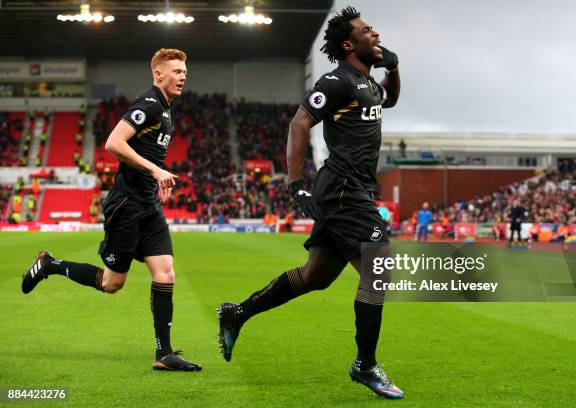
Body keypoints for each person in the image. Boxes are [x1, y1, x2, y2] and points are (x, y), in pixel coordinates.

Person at [217, 6, 403, 399]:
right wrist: (296, 183)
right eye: (368, 31)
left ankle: (238, 312)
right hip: (343, 189)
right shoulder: (336, 81)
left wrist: (395, 66)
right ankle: (365, 364)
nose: (376, 35)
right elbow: (299, 122)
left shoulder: (369, 83)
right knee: (379, 268)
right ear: (349, 43)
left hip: (353, 191)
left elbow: (391, 100)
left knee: (315, 276)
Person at [21, 48, 201, 372]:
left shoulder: (165, 109)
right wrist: (157, 172)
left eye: (184, 71)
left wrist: (157, 179)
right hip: (127, 206)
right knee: (111, 283)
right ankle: (49, 264)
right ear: (158, 74)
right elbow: (114, 143)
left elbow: (148, 155)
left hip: (148, 205)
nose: (182, 75)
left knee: (165, 273)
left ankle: (164, 353)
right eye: (175, 71)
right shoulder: (148, 104)